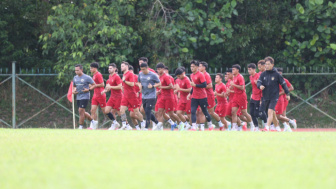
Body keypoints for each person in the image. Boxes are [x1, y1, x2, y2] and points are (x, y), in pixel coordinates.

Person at [257, 56, 290, 132]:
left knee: (270, 111)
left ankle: (267, 128)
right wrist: (260, 86)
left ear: (272, 65)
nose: (267, 66)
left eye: (268, 64)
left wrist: (287, 94)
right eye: (266, 64)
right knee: (273, 113)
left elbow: (284, 84)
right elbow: (259, 82)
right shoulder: (263, 74)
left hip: (274, 96)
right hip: (265, 96)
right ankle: (277, 127)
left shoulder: (277, 74)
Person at [156, 63, 184, 131]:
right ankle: (160, 128)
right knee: (159, 112)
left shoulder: (166, 76)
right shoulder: (159, 77)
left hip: (169, 97)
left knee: (171, 114)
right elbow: (160, 86)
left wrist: (161, 87)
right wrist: (159, 90)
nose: (158, 71)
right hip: (162, 97)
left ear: (163, 69)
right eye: (157, 69)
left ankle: (181, 123)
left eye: (159, 69)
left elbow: (171, 86)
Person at [187, 60, 213, 131]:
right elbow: (193, 87)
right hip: (194, 97)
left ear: (197, 67)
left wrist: (195, 85)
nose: (191, 68)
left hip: (202, 96)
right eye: (191, 66)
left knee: (204, 111)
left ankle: (210, 124)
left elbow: (204, 85)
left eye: (193, 66)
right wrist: (190, 94)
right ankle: (194, 127)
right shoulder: (191, 75)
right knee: (193, 111)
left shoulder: (200, 74)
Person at [119, 62, 145, 130]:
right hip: (125, 96)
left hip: (132, 96)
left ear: (127, 66)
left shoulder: (130, 74)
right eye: (121, 66)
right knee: (121, 110)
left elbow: (132, 84)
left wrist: (124, 81)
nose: (121, 67)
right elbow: (124, 86)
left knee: (136, 112)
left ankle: (142, 122)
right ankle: (124, 125)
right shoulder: (124, 74)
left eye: (122, 66)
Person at [199, 61, 225, 130]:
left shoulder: (206, 75)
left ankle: (220, 124)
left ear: (204, 68)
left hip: (209, 95)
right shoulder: (199, 74)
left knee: (211, 112)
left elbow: (210, 85)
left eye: (200, 66)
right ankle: (205, 126)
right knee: (201, 111)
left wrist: (200, 86)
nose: (198, 67)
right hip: (202, 96)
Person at [230, 64, 255, 131]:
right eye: (232, 69)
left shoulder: (240, 77)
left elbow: (242, 87)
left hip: (241, 96)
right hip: (235, 96)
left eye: (234, 69)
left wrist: (234, 85)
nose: (232, 71)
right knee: (233, 112)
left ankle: (252, 125)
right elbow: (234, 86)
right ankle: (234, 127)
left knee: (244, 112)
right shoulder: (234, 77)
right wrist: (231, 87)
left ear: (237, 70)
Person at [138, 63, 161, 130]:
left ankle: (146, 128)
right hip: (144, 96)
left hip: (151, 96)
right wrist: (139, 86)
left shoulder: (153, 75)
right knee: (146, 111)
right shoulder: (140, 74)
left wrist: (153, 86)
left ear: (147, 67)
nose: (143, 71)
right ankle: (157, 123)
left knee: (148, 110)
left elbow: (159, 83)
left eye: (144, 69)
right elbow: (138, 82)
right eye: (141, 69)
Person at [72, 64, 95, 129]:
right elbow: (74, 86)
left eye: (77, 70)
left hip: (85, 96)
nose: (76, 72)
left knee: (81, 110)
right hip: (78, 96)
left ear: (81, 70)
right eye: (75, 70)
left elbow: (94, 85)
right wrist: (74, 91)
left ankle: (81, 126)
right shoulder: (75, 77)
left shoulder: (87, 77)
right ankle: (92, 121)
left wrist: (89, 89)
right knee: (82, 112)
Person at [274, 67, 297, 132]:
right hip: (280, 98)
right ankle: (287, 127)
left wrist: (283, 92)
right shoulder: (275, 80)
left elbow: (291, 88)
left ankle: (290, 122)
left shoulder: (283, 80)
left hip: (282, 99)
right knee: (283, 115)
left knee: (277, 115)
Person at [101, 63, 122, 130]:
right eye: (109, 68)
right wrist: (104, 91)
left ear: (115, 69)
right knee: (106, 111)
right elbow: (109, 87)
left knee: (120, 112)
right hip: (112, 97)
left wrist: (110, 87)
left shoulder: (117, 76)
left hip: (118, 97)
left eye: (111, 68)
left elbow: (120, 87)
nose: (109, 69)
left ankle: (126, 125)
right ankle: (115, 123)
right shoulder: (110, 76)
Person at [248, 63, 267, 131]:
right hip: (253, 96)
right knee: (251, 113)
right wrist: (252, 94)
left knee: (257, 113)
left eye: (250, 70)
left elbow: (262, 87)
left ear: (254, 69)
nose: (249, 71)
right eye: (248, 70)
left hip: (259, 97)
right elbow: (253, 87)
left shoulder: (259, 75)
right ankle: (256, 127)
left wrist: (262, 98)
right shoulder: (250, 77)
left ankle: (267, 123)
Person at [88, 62, 107, 129]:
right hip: (95, 95)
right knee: (92, 110)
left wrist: (95, 85)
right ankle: (93, 125)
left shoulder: (98, 74)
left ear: (95, 68)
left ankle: (114, 122)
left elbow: (102, 84)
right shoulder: (94, 75)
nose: (90, 69)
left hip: (101, 95)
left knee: (105, 111)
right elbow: (94, 85)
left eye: (91, 68)